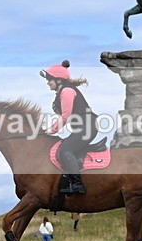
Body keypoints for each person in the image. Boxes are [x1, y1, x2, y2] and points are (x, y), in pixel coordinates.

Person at [40, 60, 99, 195]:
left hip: (87, 127)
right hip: (84, 127)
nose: (47, 82)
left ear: (59, 80)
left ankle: (77, 184)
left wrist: (51, 130)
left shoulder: (67, 91)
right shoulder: (63, 91)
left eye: (50, 79)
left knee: (65, 150)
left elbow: (66, 116)